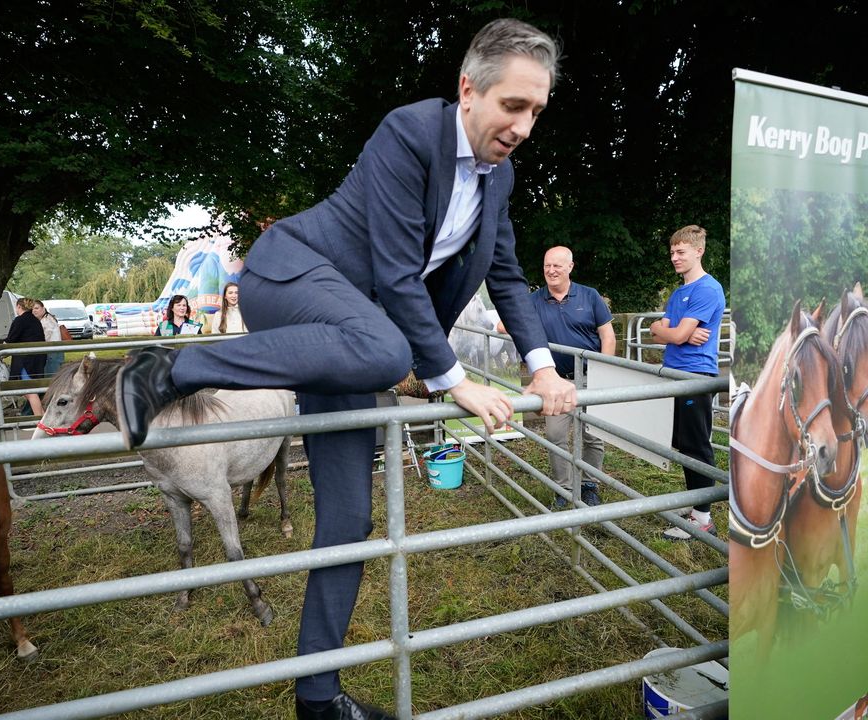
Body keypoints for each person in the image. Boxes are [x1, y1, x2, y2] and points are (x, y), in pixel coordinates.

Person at [118, 19, 573, 720]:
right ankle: (170, 371)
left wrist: (542, 368)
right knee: (391, 350)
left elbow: (508, 276)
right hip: (294, 276)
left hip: (355, 339)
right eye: (514, 105)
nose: (525, 125)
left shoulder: (499, 178)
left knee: (351, 518)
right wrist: (453, 378)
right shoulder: (409, 133)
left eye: (537, 111)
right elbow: (396, 274)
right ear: (469, 91)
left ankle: (318, 698)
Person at [519, 246, 615, 508]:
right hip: (556, 381)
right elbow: (513, 324)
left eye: (557, 266)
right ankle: (563, 488)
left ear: (570, 267)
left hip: (589, 378)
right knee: (555, 435)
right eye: (547, 265)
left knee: (593, 435)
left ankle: (589, 485)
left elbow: (607, 335)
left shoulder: (589, 296)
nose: (551, 270)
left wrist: (603, 372)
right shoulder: (534, 300)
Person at [649, 225, 726, 541]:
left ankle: (704, 519)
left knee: (696, 445)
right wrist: (675, 332)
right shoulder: (679, 293)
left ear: (699, 251)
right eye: (672, 252)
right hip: (675, 373)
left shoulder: (708, 289)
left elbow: (672, 333)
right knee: (683, 442)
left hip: (696, 376)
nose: (674, 258)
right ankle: (696, 506)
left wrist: (675, 333)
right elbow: (659, 330)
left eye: (681, 252)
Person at [5, 297, 46, 416]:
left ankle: (39, 420)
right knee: (31, 390)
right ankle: (42, 417)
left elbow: (11, 339)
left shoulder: (20, 320)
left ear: (18, 306)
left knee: (30, 391)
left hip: (25, 360)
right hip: (37, 359)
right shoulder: (35, 320)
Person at [32, 300, 64, 377]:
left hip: (53, 351)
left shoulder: (47, 320)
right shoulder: (45, 319)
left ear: (43, 308)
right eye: (32, 309)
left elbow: (45, 337)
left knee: (51, 377)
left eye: (36, 308)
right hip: (52, 351)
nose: (34, 311)